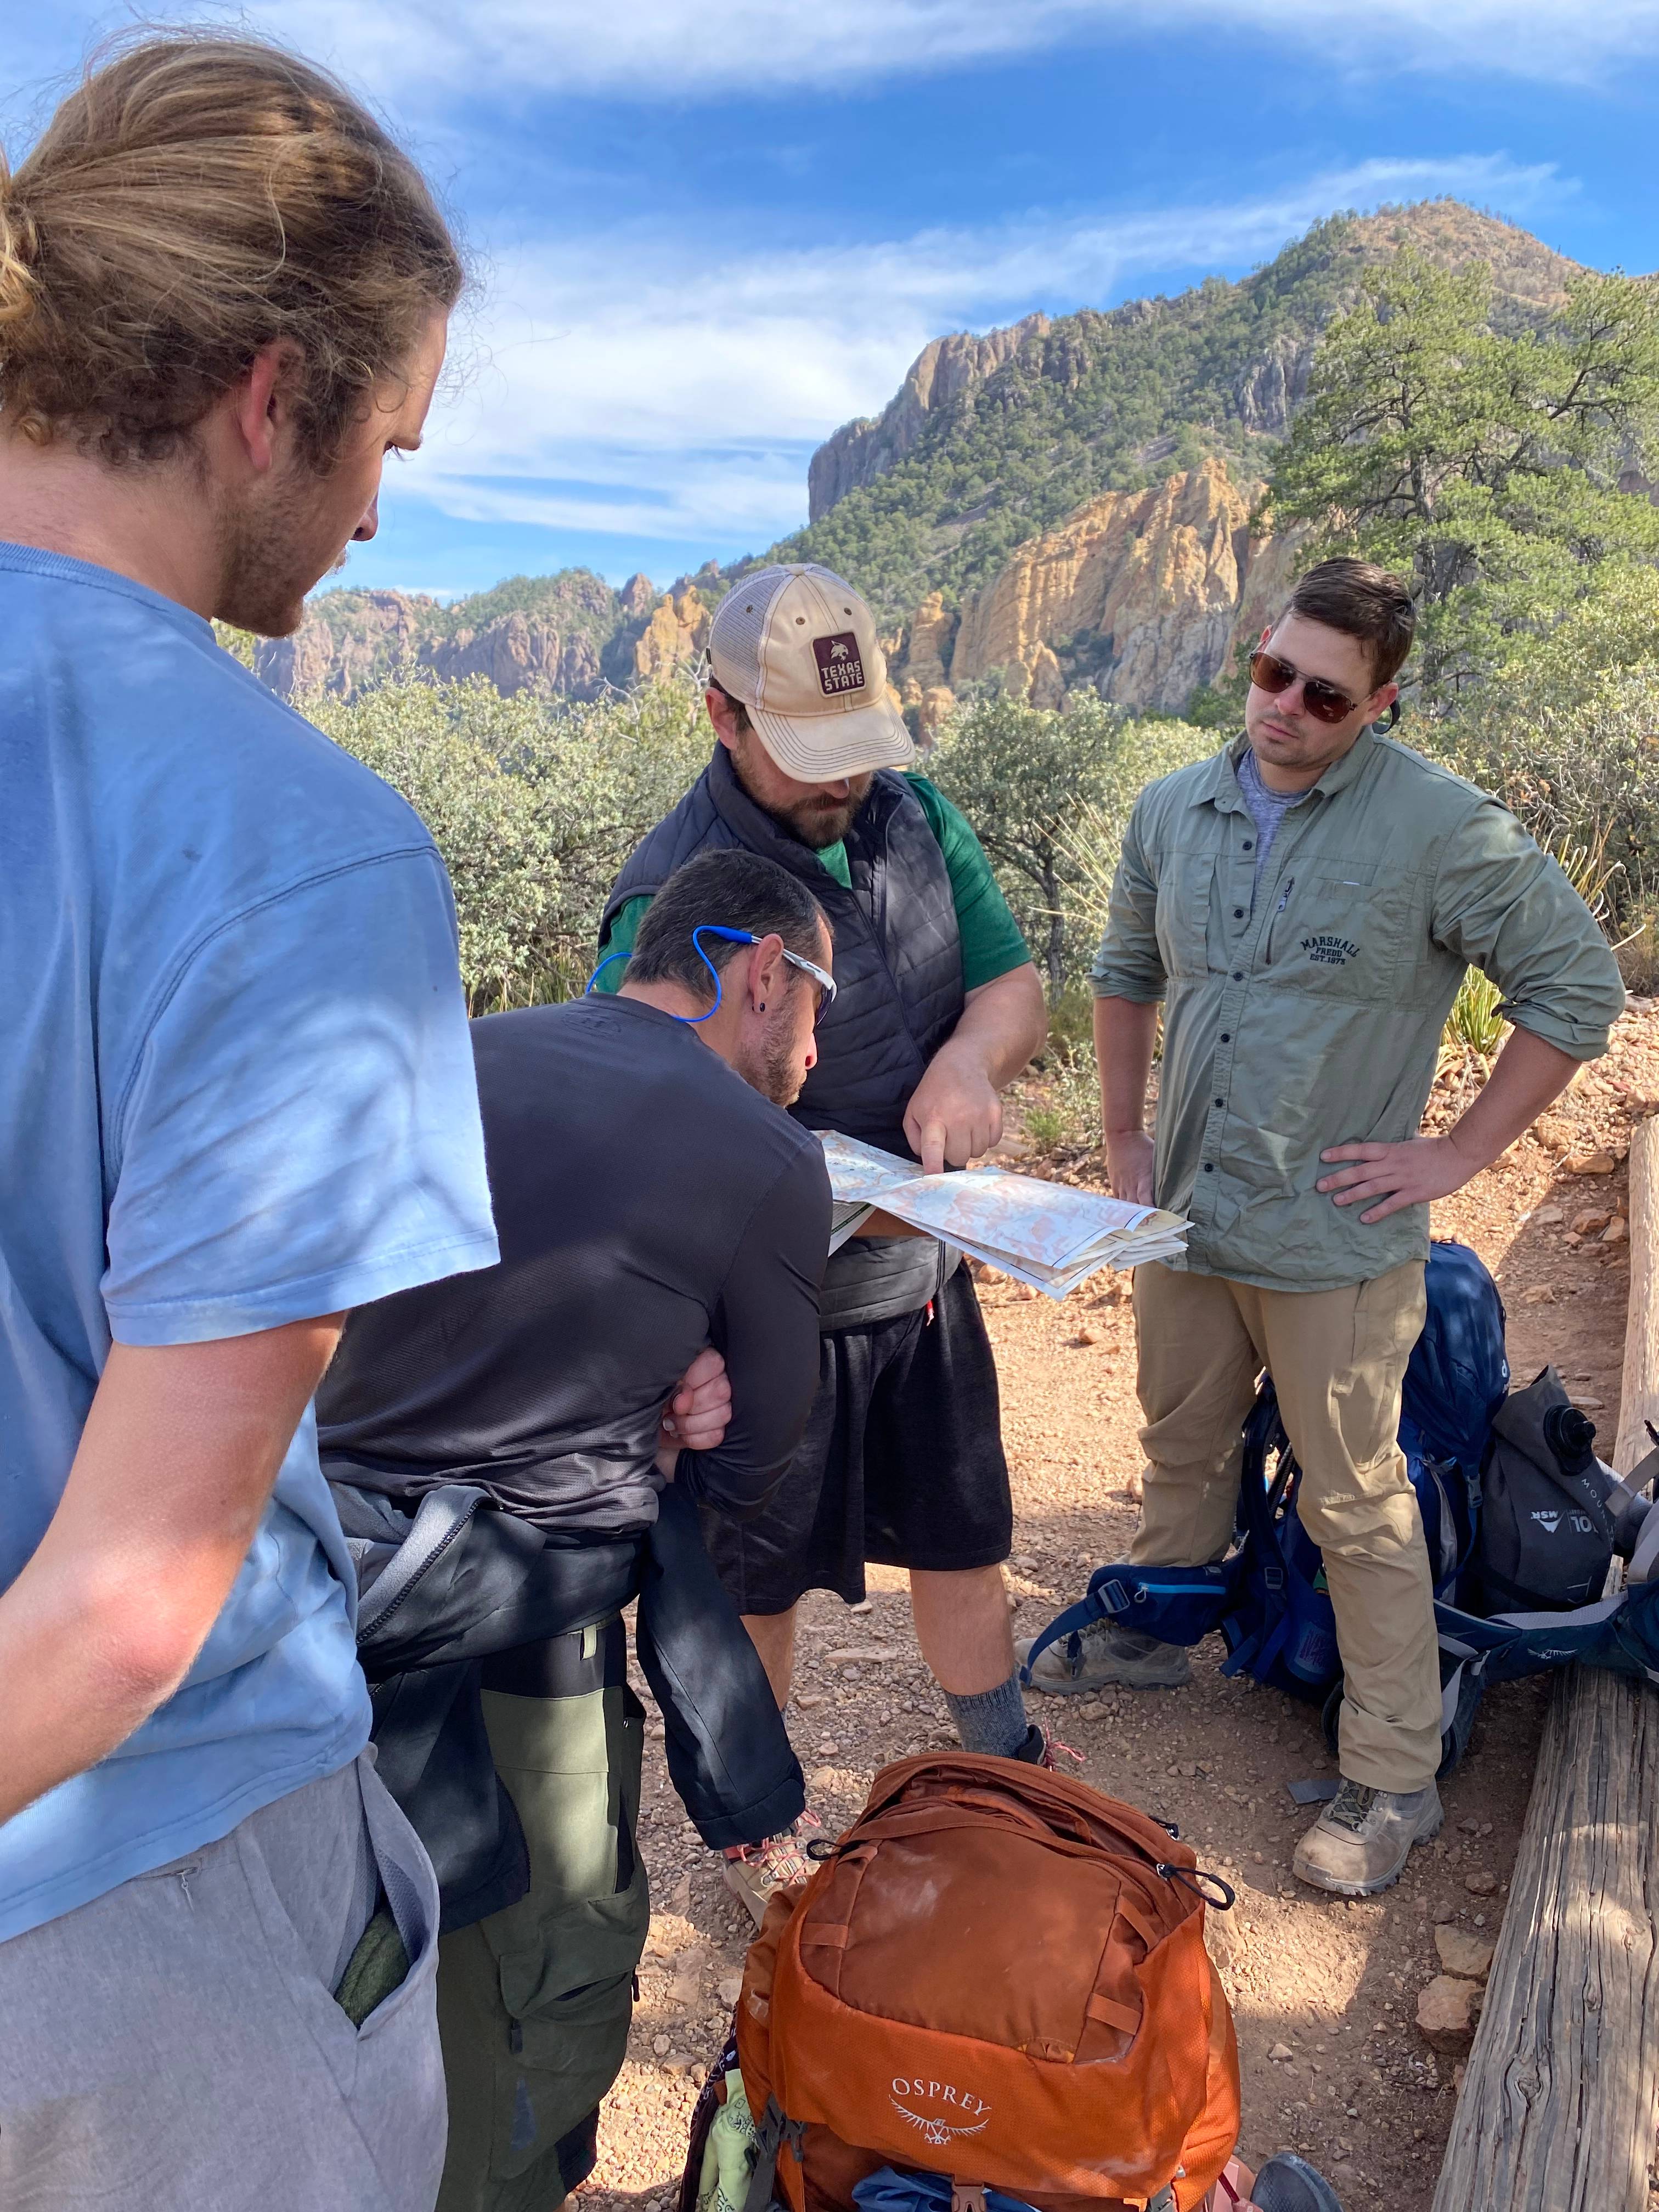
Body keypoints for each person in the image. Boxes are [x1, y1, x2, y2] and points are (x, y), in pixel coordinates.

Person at [0, 36, 501, 2211]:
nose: (381, 507)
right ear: (265, 393)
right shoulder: (294, 841)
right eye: (387, 436)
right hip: (138, 1900)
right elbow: (124, 1610)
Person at [1025, 557, 1626, 1896]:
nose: (1285, 705)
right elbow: (1124, 974)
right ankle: (1159, 1627)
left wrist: (1461, 1151)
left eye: (1325, 693)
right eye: (1271, 671)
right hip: (1184, 1225)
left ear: (1381, 703)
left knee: (1359, 1497)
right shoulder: (1173, 809)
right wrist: (1124, 1142)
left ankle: (1394, 1773)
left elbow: (1576, 985)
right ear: (1254, 651)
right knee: (1179, 1442)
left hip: (1331, 1240)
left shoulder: (1437, 829)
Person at [316, 849, 837, 2212]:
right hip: (512, 1645)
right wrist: (681, 1409)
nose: (815, 1049)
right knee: (518, 2000)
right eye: (817, 1006)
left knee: (343, 1969)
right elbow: (766, 1456)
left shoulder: (454, 1052)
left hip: (301, 1598)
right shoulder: (766, 1154)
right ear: (759, 974)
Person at [597, 562, 1051, 1921]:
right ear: (723, 717)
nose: (844, 786)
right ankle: (757, 1841)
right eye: (812, 758)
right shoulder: (669, 890)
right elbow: (633, 1100)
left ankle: (1011, 1757)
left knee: (966, 1533)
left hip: (922, 1272)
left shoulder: (916, 819)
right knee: (760, 1581)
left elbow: (1012, 984)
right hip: (761, 1308)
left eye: (860, 754)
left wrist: (971, 1063)